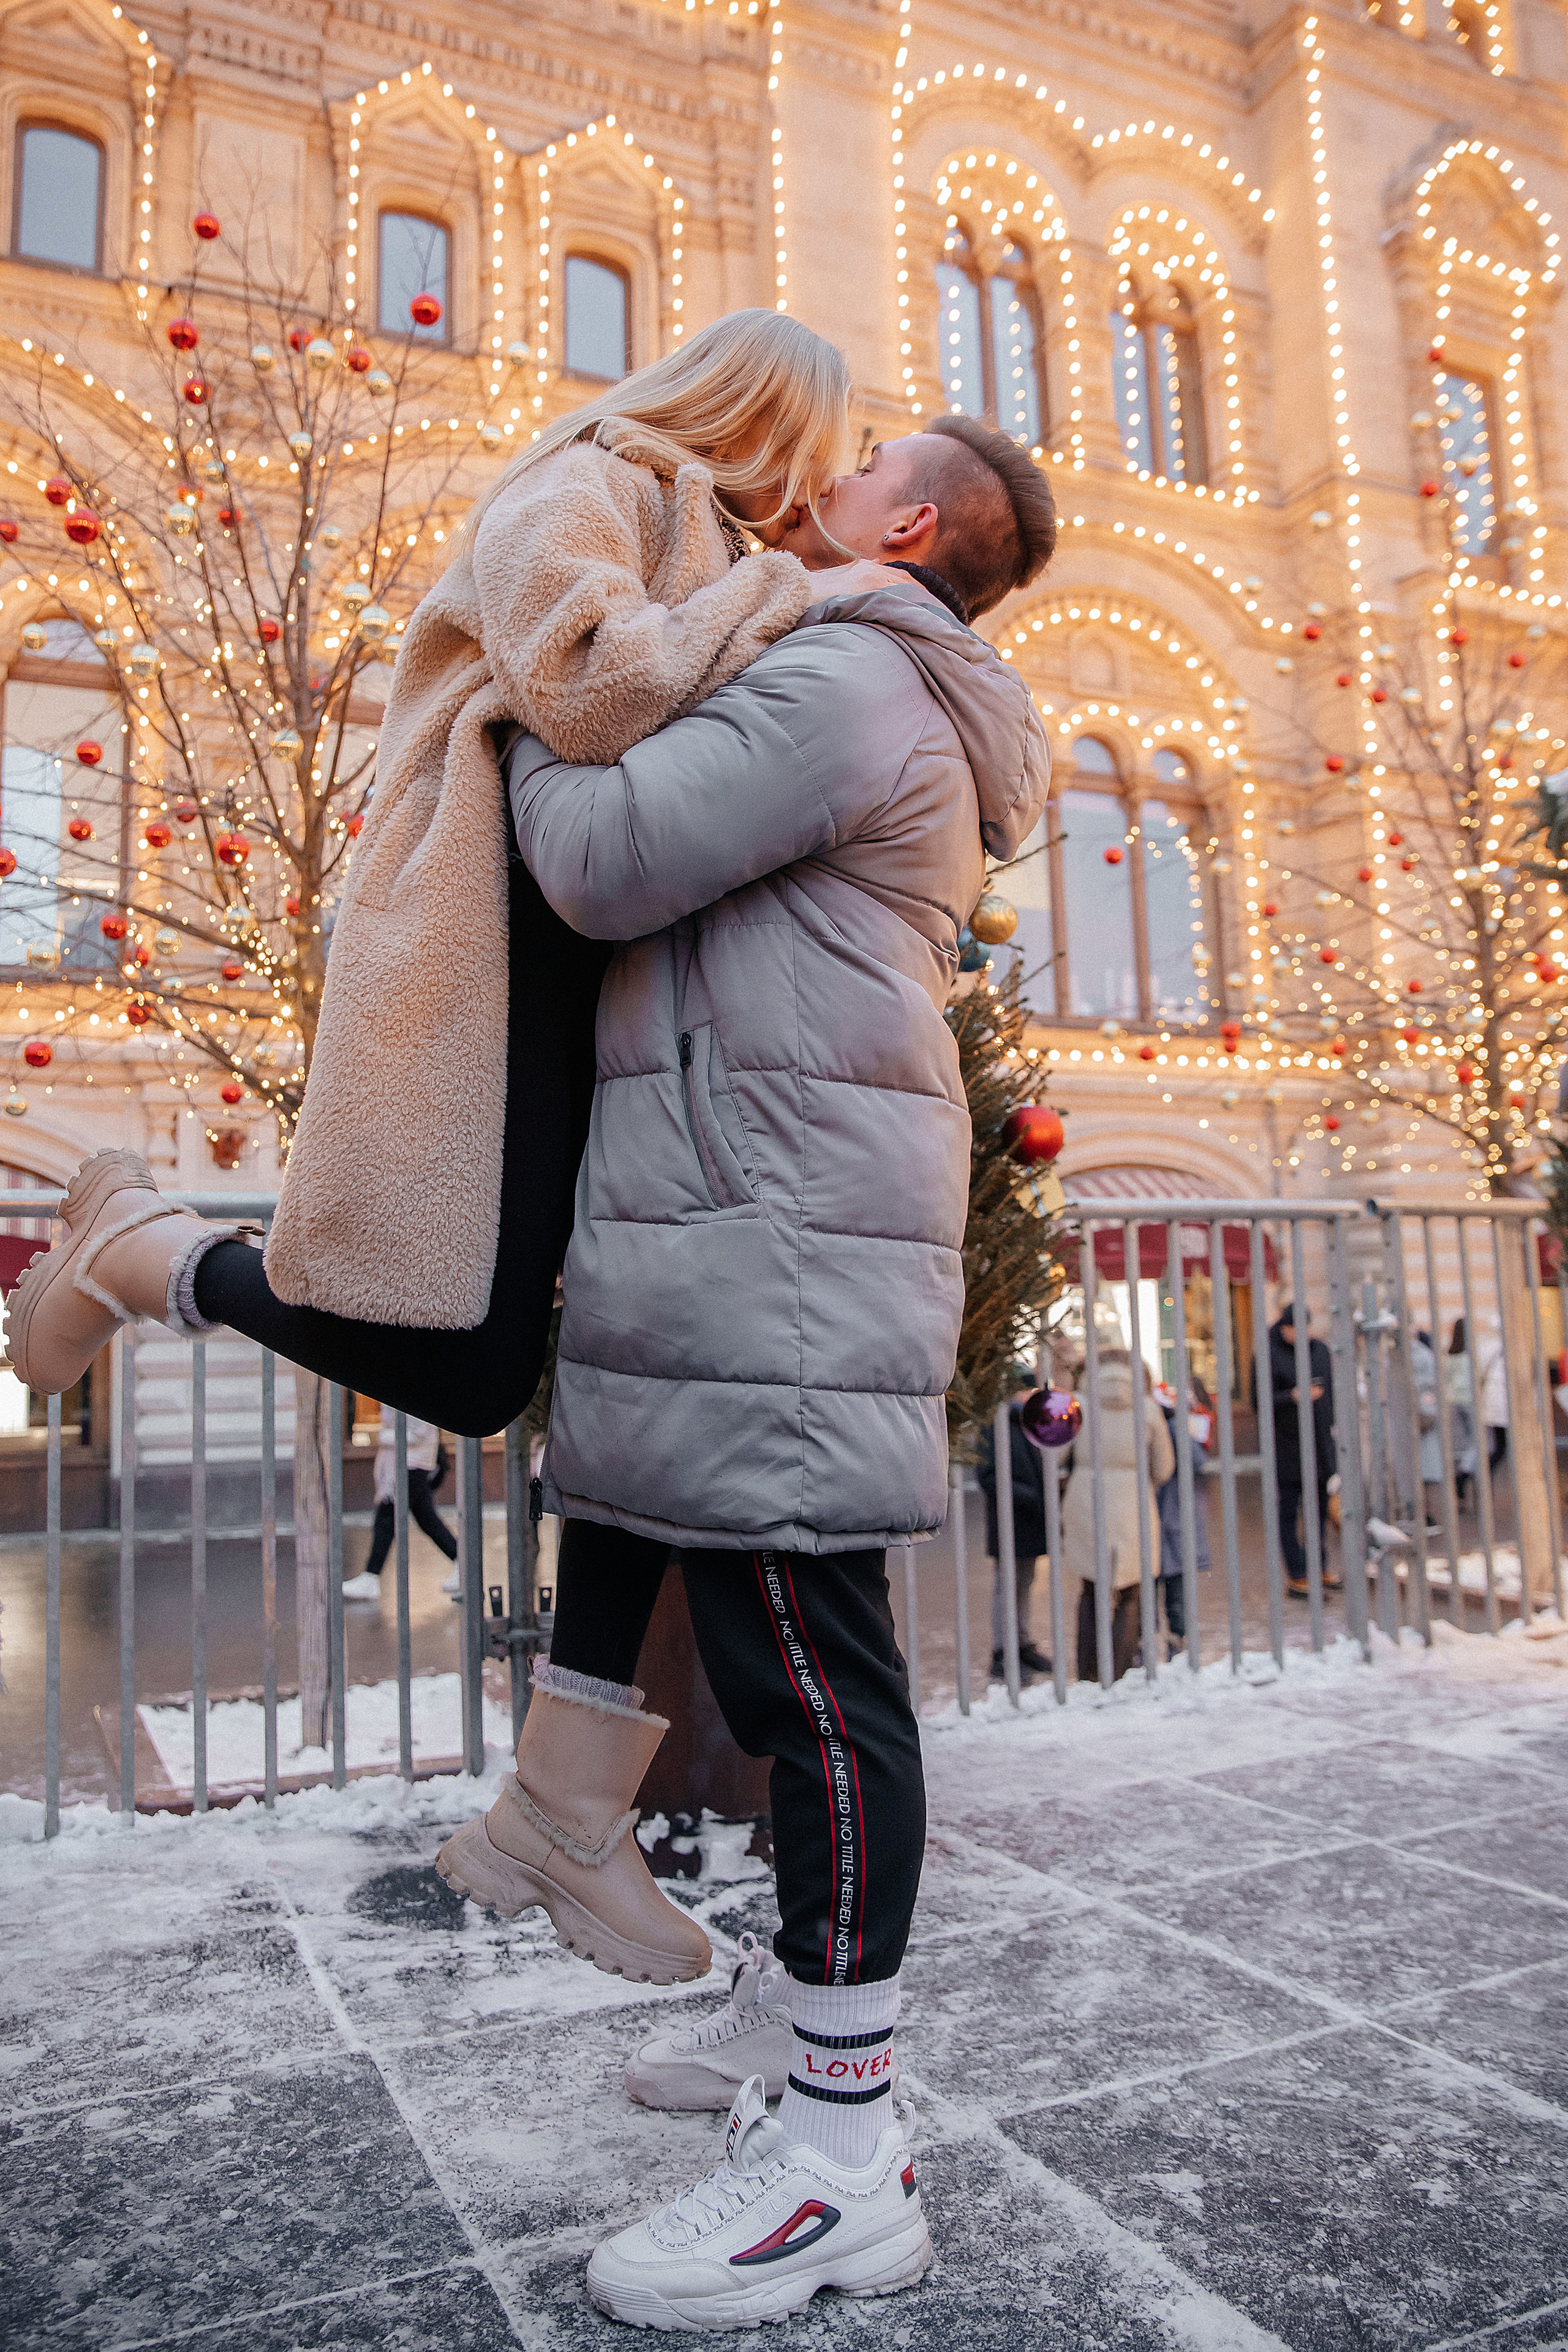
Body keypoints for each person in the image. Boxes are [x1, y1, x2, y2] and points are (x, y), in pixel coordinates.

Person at [17, 399, 1057, 2326]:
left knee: (812, 1675)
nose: (805, 491)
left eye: (849, 476)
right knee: (757, 1607)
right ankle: (778, 2014)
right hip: (750, 1210)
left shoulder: (848, 677)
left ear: (905, 525)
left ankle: (844, 2156)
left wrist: (529, 691)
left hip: (780, 1234)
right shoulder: (853, 667)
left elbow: (592, 850)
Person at [7, 309, 853, 1430]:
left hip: (573, 948)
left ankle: (151, 1256)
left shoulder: (705, 533)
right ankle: (148, 1251)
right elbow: (587, 684)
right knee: (467, 1368)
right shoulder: (588, 480)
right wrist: (792, 594)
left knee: (489, 1368)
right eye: (822, 458)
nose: (819, 495)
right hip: (488, 931)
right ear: (767, 420)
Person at [1060, 1348, 1174, 1682]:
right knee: (1131, 1592)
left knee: (1091, 1589)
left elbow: (1057, 1454)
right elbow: (1165, 1467)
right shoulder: (1148, 1408)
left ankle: (1088, 1673)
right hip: (1133, 1502)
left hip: (1086, 1500)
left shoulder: (1077, 1404)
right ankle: (1120, 1670)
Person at [1252, 1303, 1336, 1597]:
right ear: (1284, 1327)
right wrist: (1292, 1396)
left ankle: (1319, 1566)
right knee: (1288, 1512)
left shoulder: (1320, 1351)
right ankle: (1298, 1573)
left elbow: (1332, 1393)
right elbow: (1258, 1400)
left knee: (1319, 1510)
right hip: (1286, 1444)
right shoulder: (1267, 1353)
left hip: (1320, 1443)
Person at [976, 1367, 1053, 1683]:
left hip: (1031, 1520)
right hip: (1010, 1520)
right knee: (1007, 1585)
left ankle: (1021, 1643)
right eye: (1026, 1391)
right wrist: (1031, 1495)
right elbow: (988, 1476)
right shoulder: (996, 1425)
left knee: (1025, 1583)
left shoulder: (1028, 1423)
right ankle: (1002, 1651)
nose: (1030, 1397)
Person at [341, 1413, 456, 1603]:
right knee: (426, 1519)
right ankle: (463, 1562)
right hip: (406, 1463)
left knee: (387, 1519)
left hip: (412, 1464)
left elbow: (419, 1432)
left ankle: (371, 1576)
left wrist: (387, 1436)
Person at [1153, 1376, 1212, 1654]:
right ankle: (1177, 1645)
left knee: (1149, 1592)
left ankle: (1148, 1646)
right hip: (1175, 1516)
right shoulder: (1178, 1427)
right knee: (1177, 1593)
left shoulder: (1144, 1424)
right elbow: (1199, 1462)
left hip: (1151, 1519)